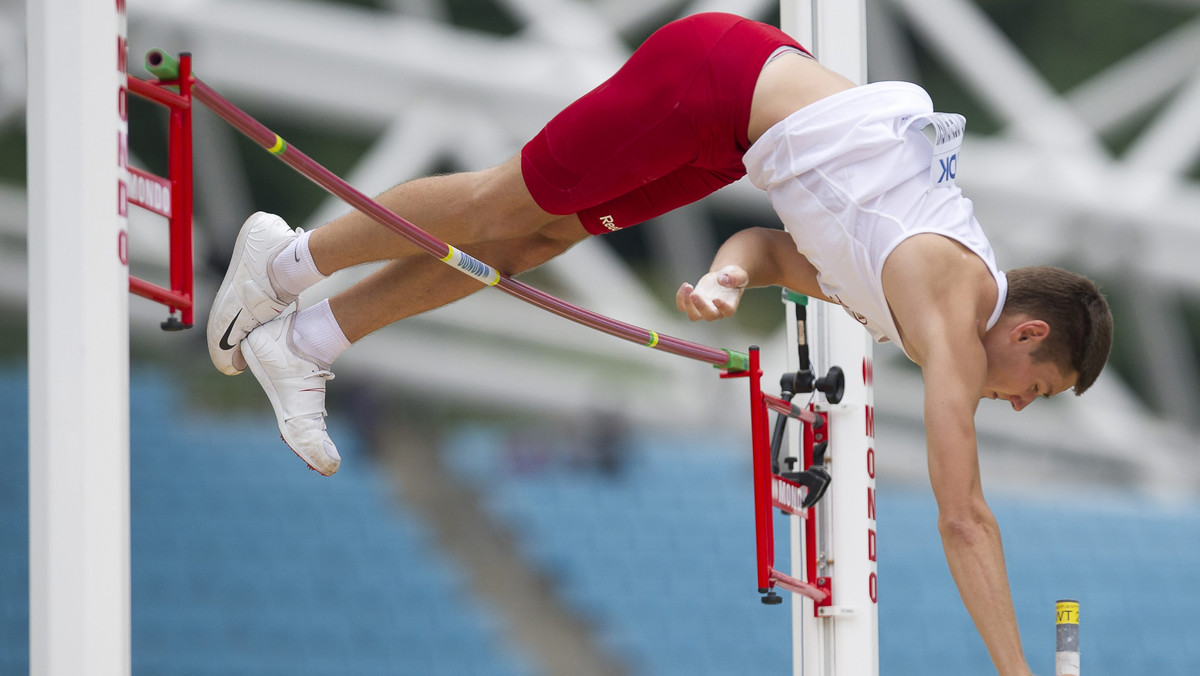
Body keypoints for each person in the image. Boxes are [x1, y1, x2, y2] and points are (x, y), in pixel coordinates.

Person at [206, 13, 1111, 675]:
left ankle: (308, 341)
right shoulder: (948, 303)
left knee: (535, 241)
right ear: (1026, 332)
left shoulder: (908, 304)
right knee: (498, 204)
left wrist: (725, 274)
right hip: (721, 76)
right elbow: (965, 515)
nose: (1022, 403)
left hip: (732, 134)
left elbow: (776, 253)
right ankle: (283, 262)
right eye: (1041, 385)